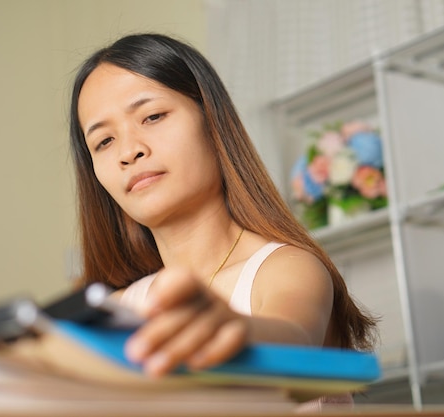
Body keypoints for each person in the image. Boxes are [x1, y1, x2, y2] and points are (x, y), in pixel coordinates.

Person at [69, 33, 378, 382]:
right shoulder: (116, 312)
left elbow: (295, 337)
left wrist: (231, 331)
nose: (129, 152)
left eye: (152, 116)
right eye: (104, 141)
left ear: (212, 121)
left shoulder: (286, 270)